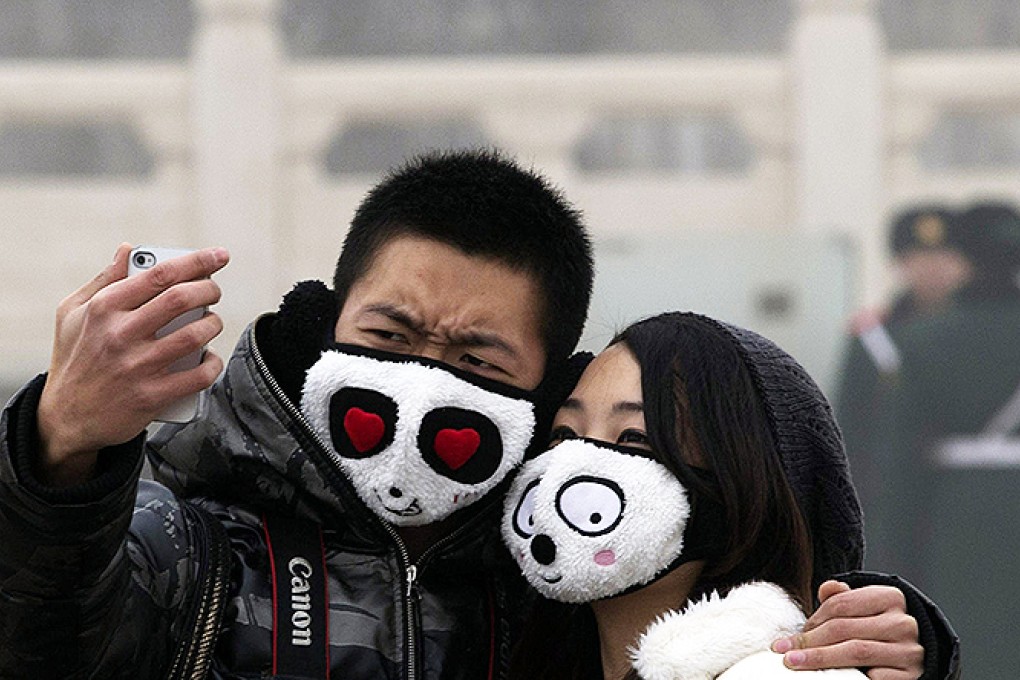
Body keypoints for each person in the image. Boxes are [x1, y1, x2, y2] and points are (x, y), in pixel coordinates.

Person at [0, 149, 954, 678]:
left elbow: (726, 582)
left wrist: (900, 638)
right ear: (331, 326)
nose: (420, 382)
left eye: (473, 359)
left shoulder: (554, 571)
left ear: (540, 395)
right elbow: (40, 633)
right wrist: (61, 449)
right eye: (388, 335)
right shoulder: (188, 533)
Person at [502, 311, 941, 680]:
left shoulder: (779, 670)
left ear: (739, 479)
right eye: (565, 434)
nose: (568, 467)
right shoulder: (517, 644)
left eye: (634, 439)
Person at [873, 200, 1020, 680]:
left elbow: (900, 463)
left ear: (964, 261)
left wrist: (885, 556)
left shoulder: (924, 341)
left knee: (970, 644)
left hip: (957, 516)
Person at [834, 204, 970, 563]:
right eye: (918, 258)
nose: (933, 269)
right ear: (899, 264)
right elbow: (850, 425)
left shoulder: (979, 339)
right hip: (890, 498)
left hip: (959, 495)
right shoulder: (873, 338)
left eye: (946, 257)